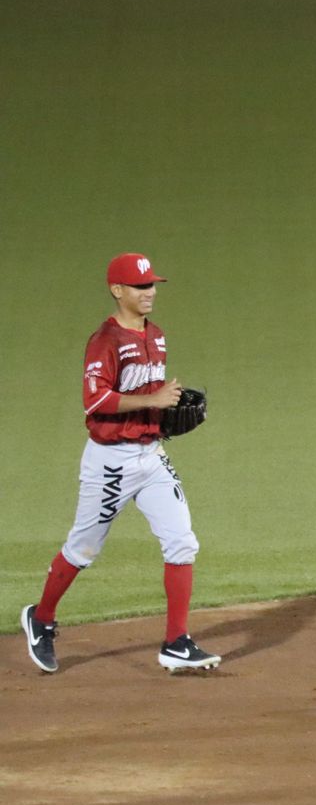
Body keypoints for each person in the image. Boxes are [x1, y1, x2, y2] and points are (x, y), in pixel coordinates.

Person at [20, 253, 219, 674]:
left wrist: (166, 408)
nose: (149, 294)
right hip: (110, 462)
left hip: (151, 457)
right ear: (117, 291)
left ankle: (175, 643)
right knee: (83, 548)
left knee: (182, 541)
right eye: (140, 287)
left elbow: (147, 395)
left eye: (152, 286)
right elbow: (95, 401)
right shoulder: (105, 341)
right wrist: (153, 400)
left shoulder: (157, 336)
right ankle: (40, 619)